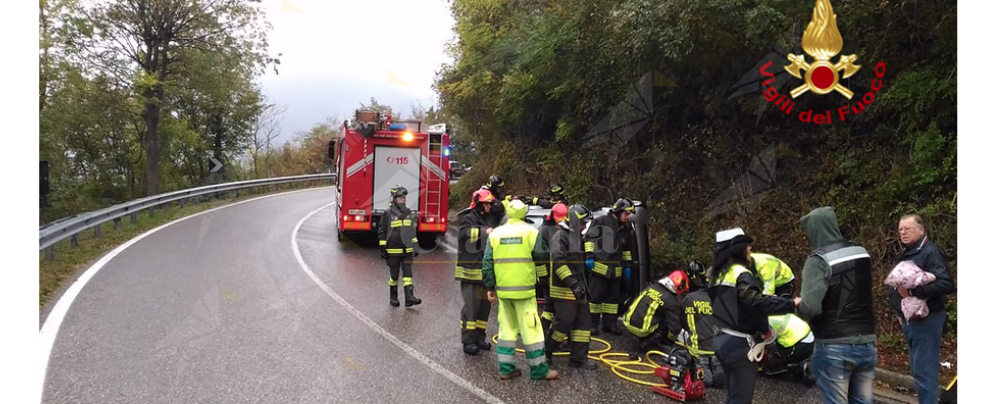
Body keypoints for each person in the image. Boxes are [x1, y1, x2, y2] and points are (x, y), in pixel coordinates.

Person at [796, 206, 877, 404]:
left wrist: (799, 305)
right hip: (867, 342)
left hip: (834, 345)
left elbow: (812, 308)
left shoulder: (817, 261)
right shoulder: (861, 253)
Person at [708, 227, 798, 404]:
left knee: (732, 397)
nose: (750, 249)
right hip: (740, 345)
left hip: (721, 340)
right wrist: (790, 303)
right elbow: (756, 304)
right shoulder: (742, 274)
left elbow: (736, 305)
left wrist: (761, 299)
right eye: (747, 245)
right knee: (740, 400)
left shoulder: (715, 274)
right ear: (737, 249)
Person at [482, 199, 559, 381]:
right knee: (531, 330)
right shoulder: (531, 233)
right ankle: (539, 370)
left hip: (504, 292)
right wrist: (544, 280)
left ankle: (506, 369)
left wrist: (490, 287)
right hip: (525, 293)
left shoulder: (495, 235)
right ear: (524, 214)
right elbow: (542, 257)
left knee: (507, 331)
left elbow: (487, 264)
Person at [887, 214, 955, 404]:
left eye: (907, 228)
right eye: (900, 229)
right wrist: (900, 312)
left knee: (924, 372)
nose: (902, 232)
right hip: (912, 320)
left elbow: (946, 284)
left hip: (927, 320)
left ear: (921, 230)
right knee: (919, 370)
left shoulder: (929, 252)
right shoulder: (910, 251)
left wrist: (914, 291)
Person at [546, 204, 597, 370]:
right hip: (564, 290)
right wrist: (572, 284)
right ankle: (546, 351)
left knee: (583, 324)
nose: (584, 226)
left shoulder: (577, 237)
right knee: (563, 324)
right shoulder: (560, 237)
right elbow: (559, 263)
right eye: (582, 223)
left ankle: (578, 359)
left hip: (579, 289)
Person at [586, 197, 638, 336]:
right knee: (595, 299)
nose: (628, 217)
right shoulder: (601, 221)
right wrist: (589, 256)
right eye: (626, 214)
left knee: (613, 301)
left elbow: (626, 249)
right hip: (599, 268)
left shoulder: (626, 228)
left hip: (616, 271)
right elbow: (589, 239)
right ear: (619, 211)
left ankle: (610, 325)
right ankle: (592, 324)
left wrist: (627, 265)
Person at [456, 189, 497, 355]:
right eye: (487, 203)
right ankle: (468, 341)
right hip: (470, 272)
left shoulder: (487, 218)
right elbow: (463, 234)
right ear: (479, 203)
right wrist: (484, 232)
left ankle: (480, 337)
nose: (489, 206)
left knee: (484, 309)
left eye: (490, 204)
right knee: (471, 308)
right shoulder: (468, 218)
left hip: (483, 273)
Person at [676, 260, 723, 389]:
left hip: (697, 348)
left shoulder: (689, 298)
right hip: (718, 347)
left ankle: (702, 367)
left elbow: (682, 322)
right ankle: (716, 364)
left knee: (704, 380)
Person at [623, 270, 689, 353]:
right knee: (668, 320)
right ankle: (648, 343)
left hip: (627, 322)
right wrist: (690, 343)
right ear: (679, 287)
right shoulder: (671, 301)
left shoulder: (652, 287)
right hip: (641, 330)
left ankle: (644, 338)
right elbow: (675, 329)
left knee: (657, 313)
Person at [378, 186, 422, 307]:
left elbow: (412, 231)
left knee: (408, 275)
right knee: (394, 276)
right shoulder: (388, 214)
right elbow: (382, 231)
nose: (403, 200)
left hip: (407, 250)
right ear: (394, 199)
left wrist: (415, 245)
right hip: (393, 250)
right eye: (400, 198)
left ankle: (409, 297)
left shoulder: (408, 213)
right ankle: (393, 297)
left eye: (404, 198)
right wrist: (382, 248)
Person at [539, 203, 569, 337]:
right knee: (555, 308)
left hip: (555, 274)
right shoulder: (544, 231)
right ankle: (552, 338)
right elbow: (540, 257)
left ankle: (540, 333)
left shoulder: (555, 229)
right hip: (549, 275)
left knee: (549, 308)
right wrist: (544, 278)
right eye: (559, 221)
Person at [761, 313, 815, 386]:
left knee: (768, 369)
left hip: (802, 345)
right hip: (806, 336)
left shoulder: (766, 325)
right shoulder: (769, 316)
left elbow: (764, 340)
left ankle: (798, 367)